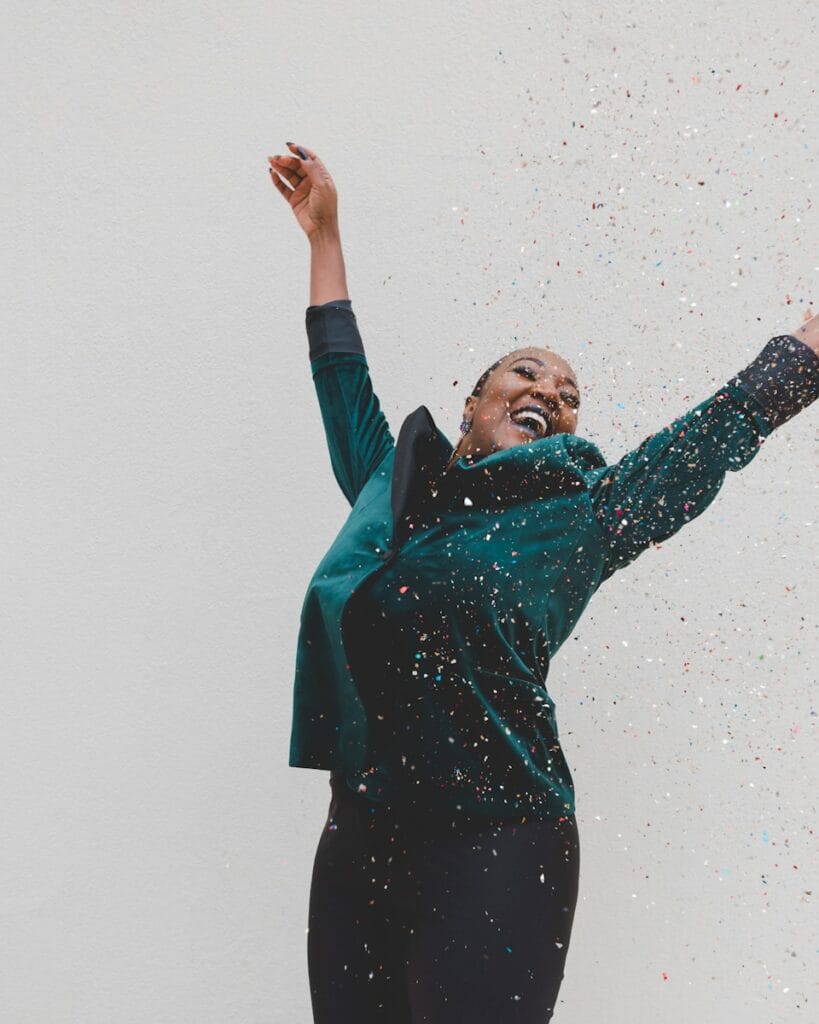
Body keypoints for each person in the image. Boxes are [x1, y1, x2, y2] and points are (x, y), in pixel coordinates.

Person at [268, 142, 819, 1023]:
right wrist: (323, 235)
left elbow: (707, 439)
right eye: (526, 372)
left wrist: (809, 346)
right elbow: (340, 378)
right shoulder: (390, 488)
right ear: (473, 405)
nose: (551, 394)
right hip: (360, 835)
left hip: (498, 844)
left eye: (568, 394)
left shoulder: (581, 518)